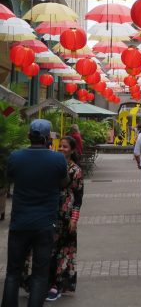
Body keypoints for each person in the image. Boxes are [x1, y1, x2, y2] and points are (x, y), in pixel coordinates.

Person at [1, 119, 68, 307]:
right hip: (45, 224)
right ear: (48, 138)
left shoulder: (16, 157)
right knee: (40, 273)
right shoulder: (57, 159)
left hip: (20, 222)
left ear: (29, 136)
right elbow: (64, 182)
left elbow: (11, 177)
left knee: (13, 272)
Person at [45, 136, 84, 302]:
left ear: (72, 150)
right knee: (47, 249)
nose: (61, 149)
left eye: (65, 146)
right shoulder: (50, 165)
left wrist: (74, 219)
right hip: (48, 212)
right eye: (59, 146)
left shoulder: (75, 170)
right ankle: (44, 282)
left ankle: (57, 285)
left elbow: (79, 197)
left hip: (66, 215)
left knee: (62, 251)